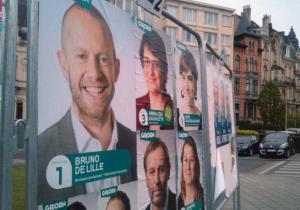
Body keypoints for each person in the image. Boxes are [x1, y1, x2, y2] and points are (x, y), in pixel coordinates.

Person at [38, 4, 137, 204]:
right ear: (64, 64)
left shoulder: (137, 145)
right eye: (82, 56)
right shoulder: (40, 154)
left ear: (116, 69)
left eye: (103, 58)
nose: (94, 73)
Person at [136, 31, 174, 131]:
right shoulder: (136, 106)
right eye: (147, 62)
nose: (150, 72)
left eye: (156, 64)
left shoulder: (175, 110)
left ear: (164, 69)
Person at [143, 138, 176, 210]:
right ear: (146, 177)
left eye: (161, 170)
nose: (157, 180)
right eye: (152, 172)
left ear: (169, 171)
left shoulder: (183, 204)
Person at [178, 50, 201, 130]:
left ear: (196, 82)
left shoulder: (201, 116)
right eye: (183, 78)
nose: (186, 86)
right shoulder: (176, 113)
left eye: (190, 79)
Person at [178, 137, 204, 209]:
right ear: (182, 163)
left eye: (191, 160)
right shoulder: (178, 201)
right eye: (185, 160)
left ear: (196, 164)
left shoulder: (204, 197)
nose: (188, 167)